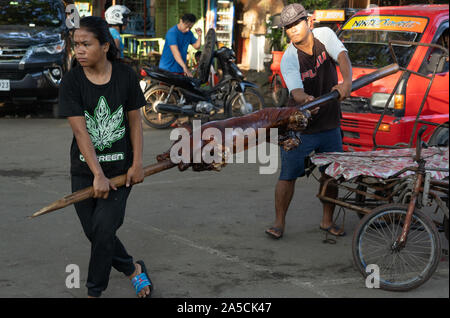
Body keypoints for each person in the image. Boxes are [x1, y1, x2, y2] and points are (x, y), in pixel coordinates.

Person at [58, 16, 152, 298]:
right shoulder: (72, 81)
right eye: (76, 45)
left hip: (121, 172)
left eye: (86, 44)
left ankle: (93, 291)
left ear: (106, 46)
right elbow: (80, 131)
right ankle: (133, 269)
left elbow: (135, 122)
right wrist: (97, 174)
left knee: (103, 229)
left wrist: (137, 164)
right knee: (97, 234)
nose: (80, 51)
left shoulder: (125, 77)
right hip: (85, 172)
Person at [265, 3, 352, 239]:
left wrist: (346, 82)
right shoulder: (289, 58)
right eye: (288, 27)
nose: (292, 30)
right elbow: (296, 93)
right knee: (288, 175)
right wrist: (308, 100)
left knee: (330, 175)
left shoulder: (325, 36)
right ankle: (279, 222)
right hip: (300, 126)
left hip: (330, 124)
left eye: (296, 23)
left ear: (308, 22)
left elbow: (343, 56)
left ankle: (327, 221)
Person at [158, 13, 202, 77]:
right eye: (186, 27)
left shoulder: (189, 33)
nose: (187, 30)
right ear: (181, 21)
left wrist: (199, 36)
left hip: (180, 70)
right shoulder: (172, 33)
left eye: (190, 28)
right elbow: (175, 53)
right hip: (167, 69)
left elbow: (197, 46)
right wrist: (185, 68)